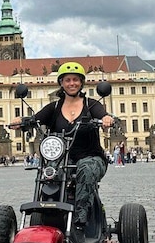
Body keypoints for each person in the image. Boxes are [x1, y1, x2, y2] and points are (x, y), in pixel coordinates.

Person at [10, 62, 114, 232]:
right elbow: (36, 119)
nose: (71, 83)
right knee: (48, 173)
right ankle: (48, 210)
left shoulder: (92, 105)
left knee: (85, 169)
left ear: (81, 82)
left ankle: (81, 215)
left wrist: (106, 119)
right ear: (61, 83)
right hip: (61, 158)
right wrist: (21, 122)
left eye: (75, 80)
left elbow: (102, 115)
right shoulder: (55, 107)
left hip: (91, 157)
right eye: (67, 80)